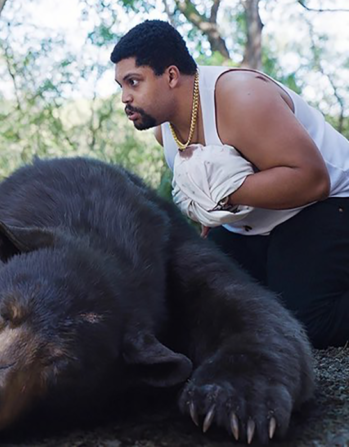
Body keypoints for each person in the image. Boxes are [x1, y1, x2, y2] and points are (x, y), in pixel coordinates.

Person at [110, 19, 349, 349]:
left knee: (307, 321)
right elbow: (207, 194)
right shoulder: (163, 130)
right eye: (121, 86)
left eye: (133, 82)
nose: (124, 97)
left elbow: (313, 179)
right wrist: (208, 214)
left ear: (171, 75)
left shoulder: (242, 96)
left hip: (325, 205)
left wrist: (223, 193)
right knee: (196, 305)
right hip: (252, 225)